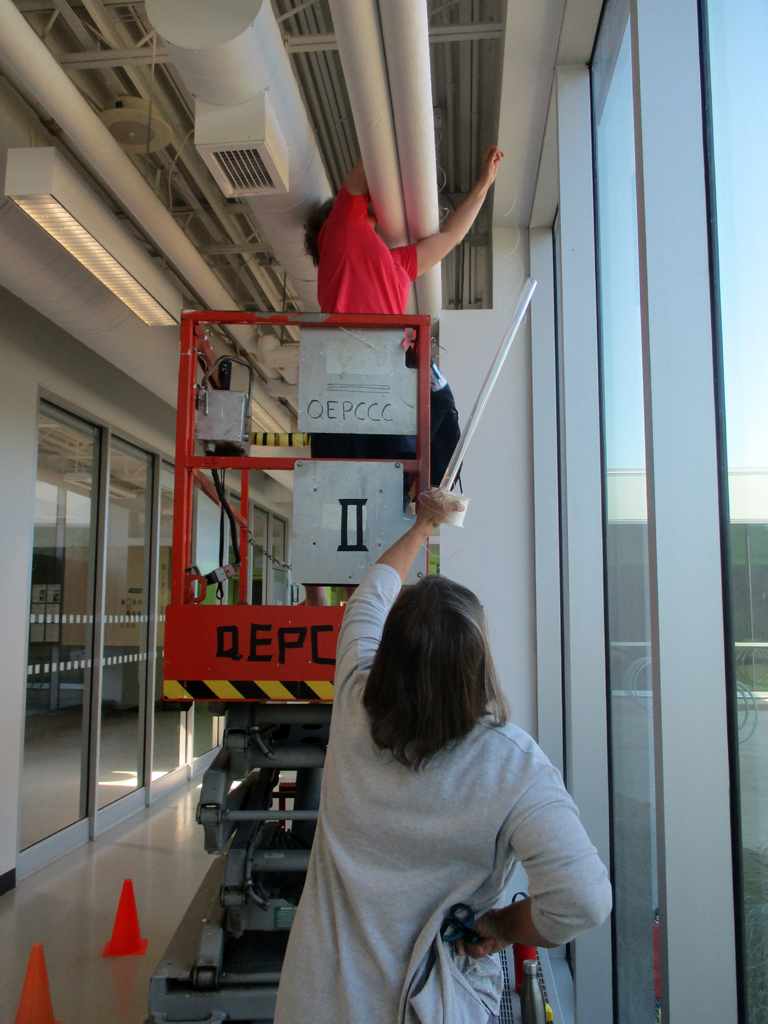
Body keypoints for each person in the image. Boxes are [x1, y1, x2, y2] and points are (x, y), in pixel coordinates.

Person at [274, 489, 613, 1024]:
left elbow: (369, 599)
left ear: (387, 657)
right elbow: (584, 901)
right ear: (477, 667)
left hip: (318, 999)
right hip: (434, 1007)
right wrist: (501, 928)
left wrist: (422, 527)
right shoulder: (513, 765)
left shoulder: (354, 700)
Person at [302, 148, 504, 604]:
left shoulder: (397, 264)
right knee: (341, 479)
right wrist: (394, 141)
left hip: (386, 383)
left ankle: (427, 500)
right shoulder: (343, 230)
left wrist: (482, 187)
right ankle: (332, 585)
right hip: (350, 379)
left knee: (417, 437)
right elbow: (362, 172)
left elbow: (451, 236)